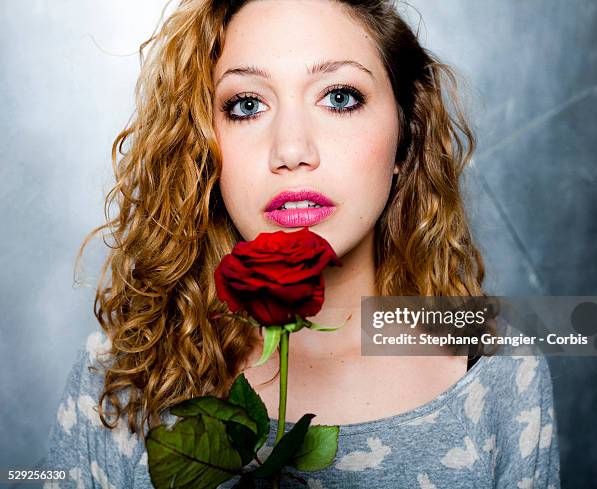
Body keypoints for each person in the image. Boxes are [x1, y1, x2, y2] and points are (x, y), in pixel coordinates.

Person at [43, 0, 561, 487]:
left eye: (339, 97)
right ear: (204, 148)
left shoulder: (502, 371)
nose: (291, 150)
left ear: (407, 134)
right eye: (247, 104)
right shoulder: (123, 378)